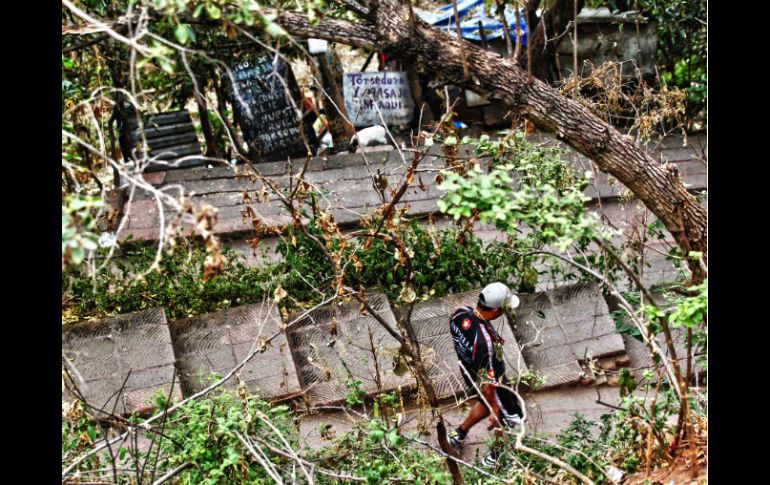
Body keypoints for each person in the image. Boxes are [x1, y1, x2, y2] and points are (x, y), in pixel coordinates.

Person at [448, 282, 525, 467]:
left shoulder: (459, 314)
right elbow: (488, 383)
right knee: (512, 417)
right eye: (503, 309)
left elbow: (476, 331)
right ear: (496, 310)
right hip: (491, 384)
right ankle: (495, 458)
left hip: (470, 374)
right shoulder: (485, 345)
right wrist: (495, 408)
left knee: (484, 402)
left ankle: (458, 434)